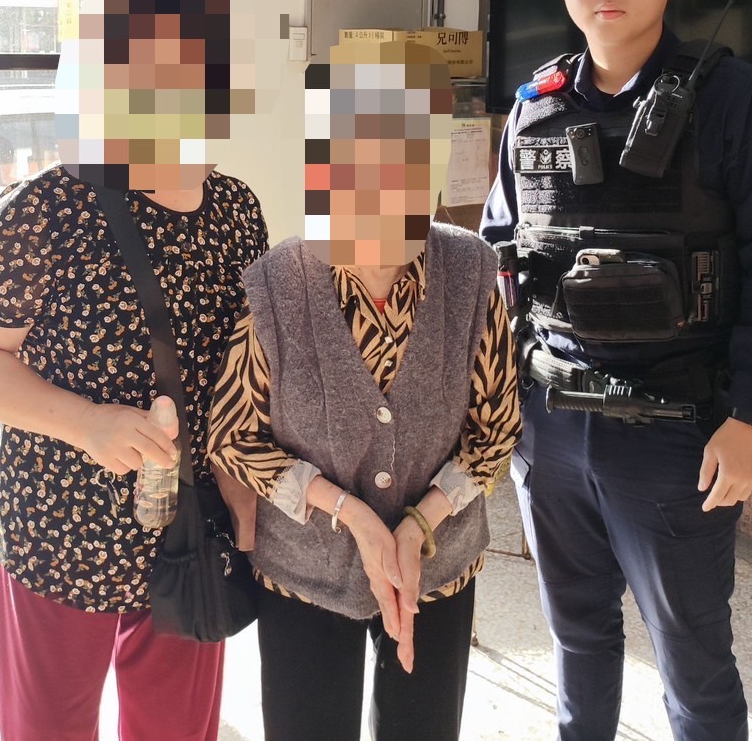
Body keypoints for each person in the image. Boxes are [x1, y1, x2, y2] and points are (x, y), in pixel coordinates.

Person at [479, 0, 752, 741]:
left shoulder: (737, 101)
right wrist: (497, 405)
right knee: (576, 636)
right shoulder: (533, 105)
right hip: (550, 423)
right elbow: (499, 252)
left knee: (691, 658)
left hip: (676, 431)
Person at [0, 0, 268, 741]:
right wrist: (87, 422)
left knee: (177, 728)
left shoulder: (236, 210)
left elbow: (241, 369)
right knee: (43, 727)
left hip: (191, 528)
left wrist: (242, 487)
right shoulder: (50, 206)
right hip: (59, 527)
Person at [208, 39, 521, 741]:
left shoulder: (471, 270)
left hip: (438, 564)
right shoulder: (276, 284)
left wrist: (417, 525)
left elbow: (496, 431)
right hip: (305, 570)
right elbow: (233, 437)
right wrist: (349, 512)